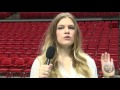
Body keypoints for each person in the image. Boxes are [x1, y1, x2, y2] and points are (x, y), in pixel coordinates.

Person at [30, 12, 115, 78]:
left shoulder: (88, 61)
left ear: (75, 34)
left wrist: (108, 76)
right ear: (54, 34)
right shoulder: (40, 62)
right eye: (61, 27)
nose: (67, 31)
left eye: (71, 27)